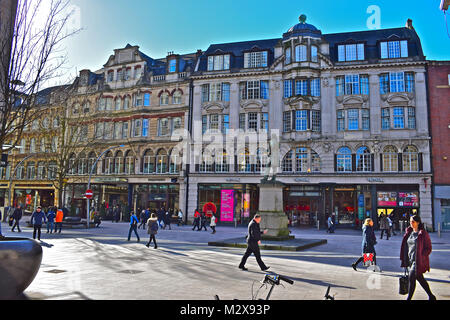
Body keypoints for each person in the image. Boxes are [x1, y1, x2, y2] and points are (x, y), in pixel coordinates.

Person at [400, 215, 436, 300]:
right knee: (420, 279)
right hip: (410, 260)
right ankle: (431, 296)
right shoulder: (409, 233)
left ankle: (409, 299)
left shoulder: (423, 234)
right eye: (410, 222)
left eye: (413, 222)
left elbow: (428, 248)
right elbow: (406, 246)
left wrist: (422, 256)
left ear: (418, 222)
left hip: (418, 260)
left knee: (412, 278)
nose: (411, 223)